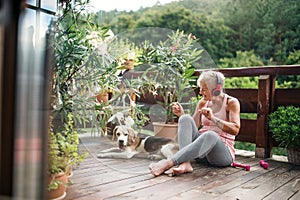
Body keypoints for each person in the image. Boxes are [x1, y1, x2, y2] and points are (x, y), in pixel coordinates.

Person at [149, 70, 240, 176]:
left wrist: (213, 118)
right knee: (185, 118)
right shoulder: (203, 102)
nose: (200, 92)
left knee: (210, 135)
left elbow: (235, 129)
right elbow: (193, 126)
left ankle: (168, 163)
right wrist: (181, 114)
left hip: (221, 155)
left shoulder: (231, 102)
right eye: (200, 89)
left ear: (216, 90)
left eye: (204, 89)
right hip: (201, 154)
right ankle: (185, 163)